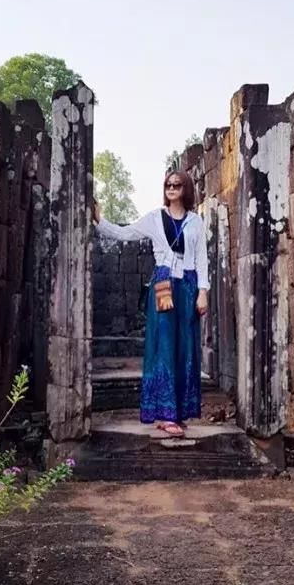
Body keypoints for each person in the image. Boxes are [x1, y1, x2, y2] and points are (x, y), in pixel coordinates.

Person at [92, 170, 209, 437]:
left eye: (177, 185)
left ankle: (179, 411)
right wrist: (99, 219)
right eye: (168, 184)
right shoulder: (155, 218)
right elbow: (124, 233)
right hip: (164, 285)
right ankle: (165, 414)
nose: (171, 188)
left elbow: (201, 259)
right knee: (164, 346)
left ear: (186, 188)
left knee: (186, 347)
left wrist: (203, 292)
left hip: (188, 286)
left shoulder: (195, 222)